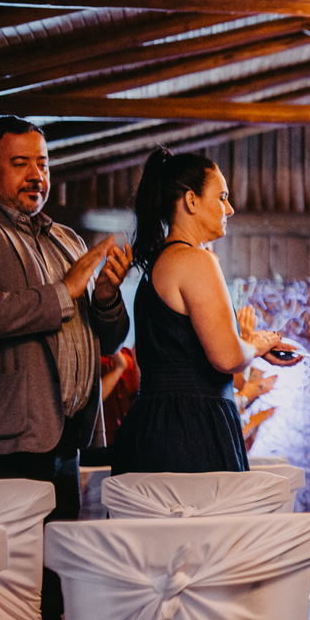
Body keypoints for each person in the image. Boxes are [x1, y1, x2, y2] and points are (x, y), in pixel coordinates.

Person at [0, 116, 132, 620]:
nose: (36, 175)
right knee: (9, 592)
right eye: (20, 163)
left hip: (65, 437)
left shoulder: (64, 237)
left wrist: (105, 299)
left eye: (42, 163)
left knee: (56, 584)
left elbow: (108, 339)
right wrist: (65, 291)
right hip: (1, 442)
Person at [112, 149, 291, 474]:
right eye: (222, 197)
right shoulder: (196, 260)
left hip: (151, 424)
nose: (229, 209)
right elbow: (227, 358)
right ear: (191, 201)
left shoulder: (159, 262)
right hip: (190, 427)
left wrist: (249, 344)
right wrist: (257, 345)